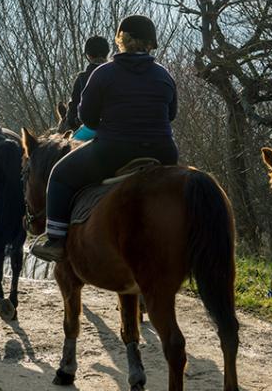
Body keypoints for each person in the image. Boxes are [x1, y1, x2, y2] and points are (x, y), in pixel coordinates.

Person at [31, 15, 179, 262]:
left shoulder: (103, 73)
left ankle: (56, 239)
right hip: (163, 152)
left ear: (121, 40)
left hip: (113, 151)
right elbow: (171, 115)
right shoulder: (163, 75)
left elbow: (87, 118)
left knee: (59, 175)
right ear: (150, 43)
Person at [64, 35, 110, 136]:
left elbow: (73, 109)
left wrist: (72, 122)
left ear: (88, 55)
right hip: (118, 126)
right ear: (107, 53)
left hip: (91, 129)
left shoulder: (82, 78)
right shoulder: (117, 73)